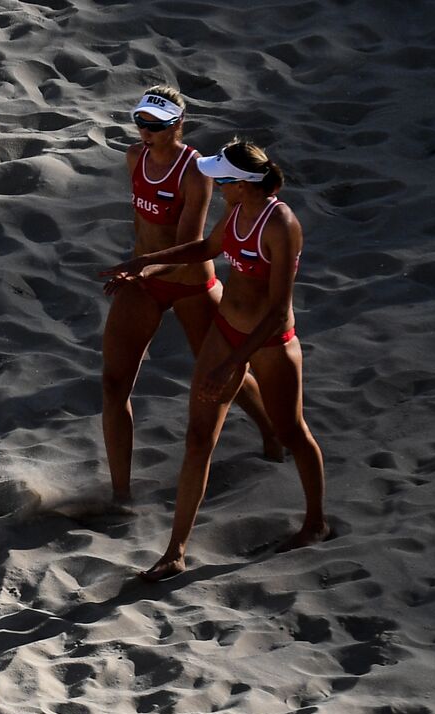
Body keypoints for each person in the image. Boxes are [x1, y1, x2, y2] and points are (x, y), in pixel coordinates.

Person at [101, 139, 329, 579]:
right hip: (226, 332)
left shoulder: (281, 224)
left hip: (272, 342)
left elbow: (280, 309)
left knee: (293, 431)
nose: (215, 182)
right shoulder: (239, 210)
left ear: (239, 184)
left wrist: (233, 364)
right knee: (198, 440)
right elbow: (205, 248)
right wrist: (145, 262)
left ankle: (316, 522)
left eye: (221, 177)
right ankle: (176, 551)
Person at [102, 87, 281, 504]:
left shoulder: (195, 171)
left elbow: (190, 244)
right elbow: (140, 220)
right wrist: (138, 264)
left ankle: (273, 433)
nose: (145, 132)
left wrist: (143, 266)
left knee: (225, 379)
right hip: (142, 278)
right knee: (113, 385)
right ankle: (121, 496)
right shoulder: (134, 156)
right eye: (140, 122)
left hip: (189, 282)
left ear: (178, 125)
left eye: (156, 126)